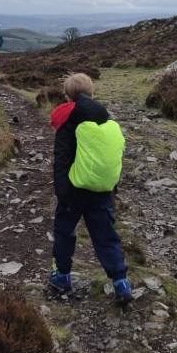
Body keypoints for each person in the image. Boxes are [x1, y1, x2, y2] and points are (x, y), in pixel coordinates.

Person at [47, 73, 133, 304]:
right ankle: (120, 281)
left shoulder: (68, 120)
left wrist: (62, 192)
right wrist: (112, 189)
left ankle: (62, 276)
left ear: (68, 97)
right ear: (92, 94)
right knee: (105, 235)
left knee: (65, 231)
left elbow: (62, 157)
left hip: (74, 189)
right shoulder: (105, 119)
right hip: (101, 191)